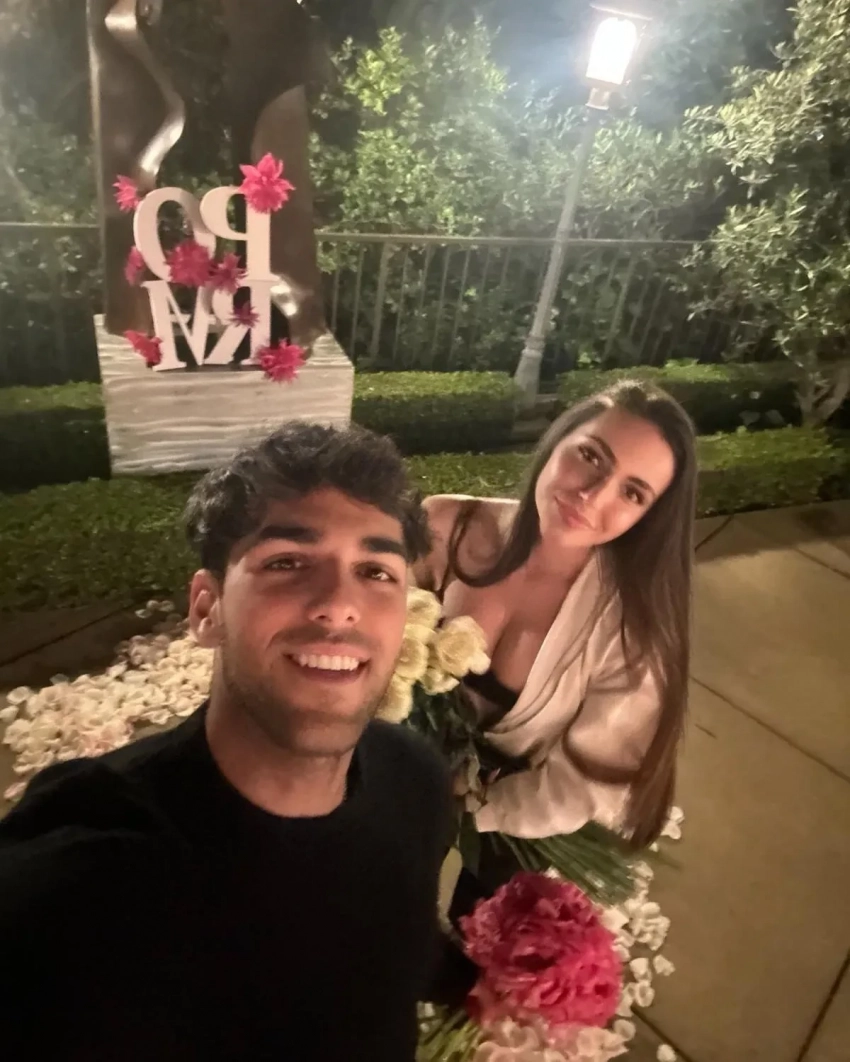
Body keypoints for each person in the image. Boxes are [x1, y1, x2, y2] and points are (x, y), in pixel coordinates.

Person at [0, 422, 456, 1061]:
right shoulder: (79, 884)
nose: (339, 604)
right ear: (206, 609)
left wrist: (476, 980)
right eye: (287, 562)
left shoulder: (414, 781)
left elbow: (387, 937)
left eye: (375, 571)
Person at [416, 380, 697, 857]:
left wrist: (468, 810)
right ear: (557, 439)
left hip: (514, 815)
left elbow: (581, 788)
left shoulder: (631, 634)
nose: (593, 495)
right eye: (590, 456)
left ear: (648, 517)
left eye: (632, 493)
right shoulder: (446, 525)